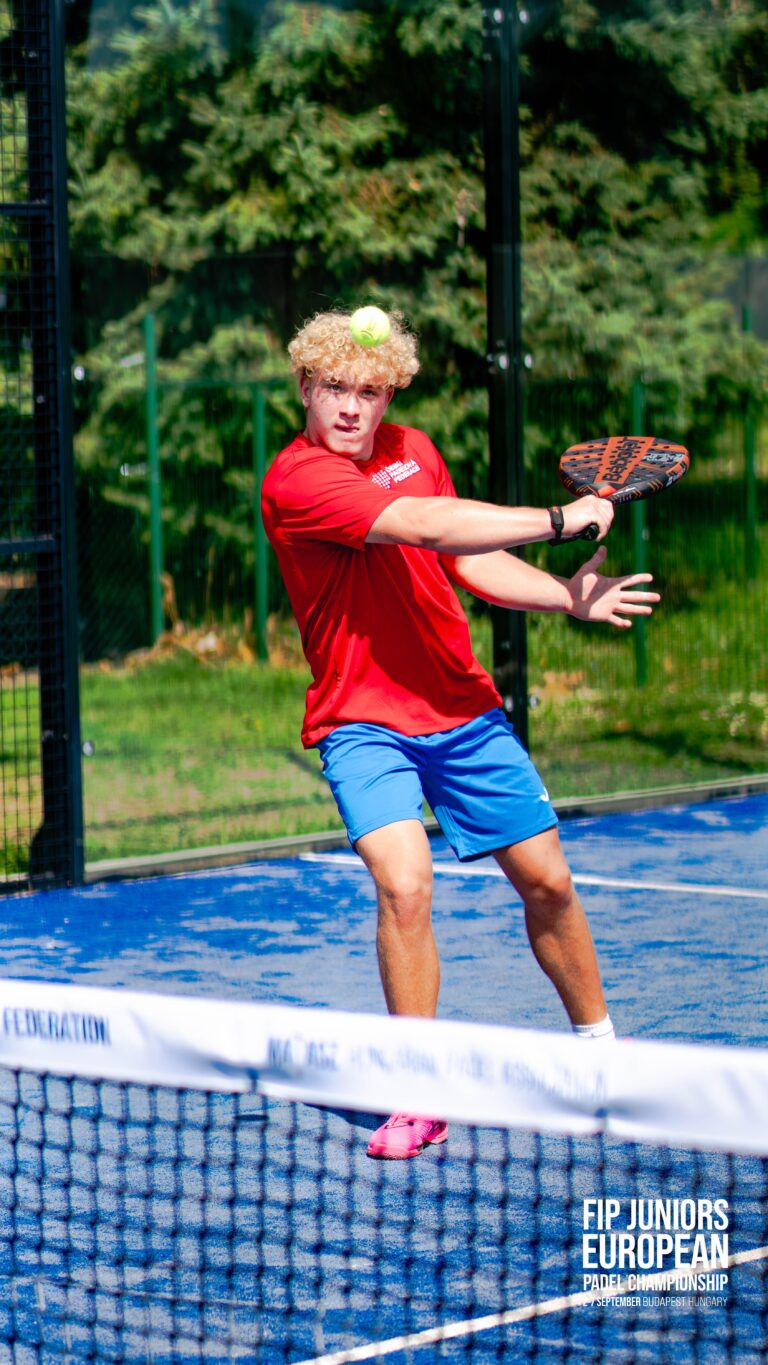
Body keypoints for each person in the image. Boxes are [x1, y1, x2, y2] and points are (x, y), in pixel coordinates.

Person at [261, 309, 659, 1160]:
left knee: (548, 881)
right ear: (304, 386)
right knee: (404, 883)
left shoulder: (416, 448)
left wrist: (564, 595)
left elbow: (466, 559)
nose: (351, 407)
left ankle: (601, 1052)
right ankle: (421, 1092)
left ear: (390, 395)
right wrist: (562, 518)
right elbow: (424, 525)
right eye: (334, 387)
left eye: (371, 391)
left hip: (461, 709)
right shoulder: (298, 480)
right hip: (361, 720)